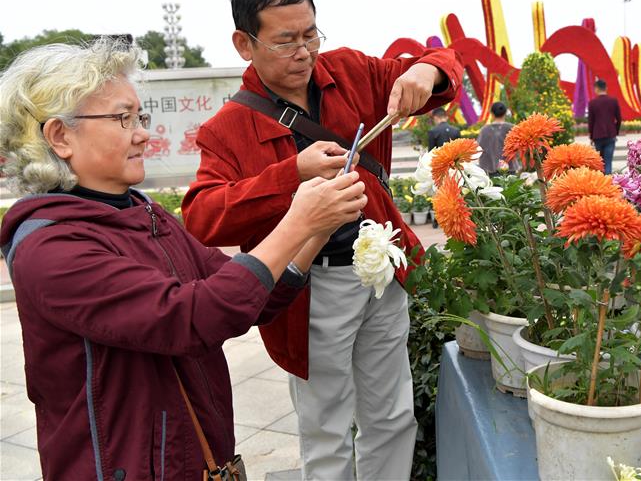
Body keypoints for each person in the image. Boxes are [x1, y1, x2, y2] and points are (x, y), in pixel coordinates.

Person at [0, 39, 367, 479]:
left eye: (140, 116)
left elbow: (245, 295)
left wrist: (315, 232)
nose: (142, 133)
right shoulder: (52, 248)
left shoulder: (143, 212)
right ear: (60, 136)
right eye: (123, 118)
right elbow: (192, 319)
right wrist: (297, 222)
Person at [181, 0, 462, 480]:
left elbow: (443, 62)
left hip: (380, 274)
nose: (304, 51)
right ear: (244, 43)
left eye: (310, 34)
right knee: (327, 428)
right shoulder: (227, 128)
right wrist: (292, 173)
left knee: (393, 416)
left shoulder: (351, 72)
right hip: (309, 290)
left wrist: (428, 74)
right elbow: (202, 214)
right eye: (285, 40)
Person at [587, 79, 621, 174]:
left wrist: (591, 136)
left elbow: (591, 121)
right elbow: (619, 119)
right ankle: (608, 183)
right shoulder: (613, 101)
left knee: (600, 162)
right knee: (608, 161)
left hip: (597, 136)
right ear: (606, 88)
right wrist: (615, 131)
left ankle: (601, 183)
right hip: (611, 135)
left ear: (596, 89)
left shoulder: (592, 103)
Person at [477, 101, 516, 174]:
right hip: (510, 168)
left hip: (490, 169)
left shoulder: (484, 130)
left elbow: (478, 150)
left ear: (492, 114)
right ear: (505, 113)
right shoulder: (512, 128)